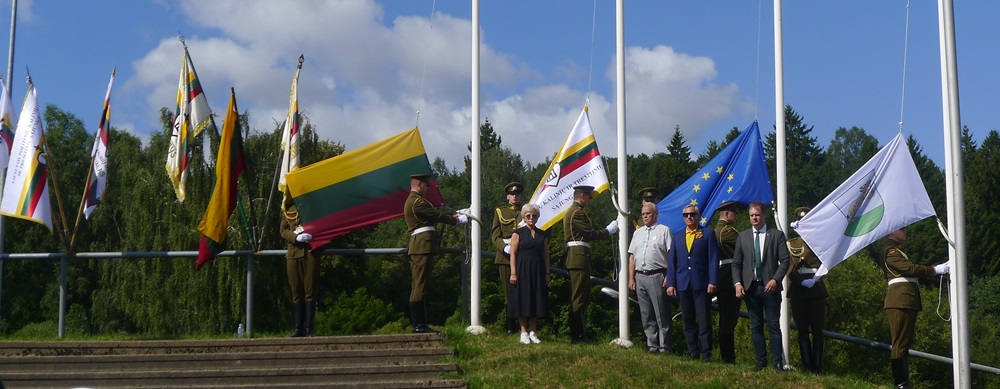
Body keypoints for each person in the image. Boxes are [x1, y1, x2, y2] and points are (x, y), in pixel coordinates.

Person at [877, 227, 949, 389]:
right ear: (891, 232)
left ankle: (903, 382)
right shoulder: (890, 251)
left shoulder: (896, 251)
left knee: (904, 343)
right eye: (901, 229)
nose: (905, 232)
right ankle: (901, 383)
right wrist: (935, 270)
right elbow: (909, 269)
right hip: (900, 300)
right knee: (900, 343)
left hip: (905, 300)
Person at [403, 173, 466, 333]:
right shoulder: (418, 202)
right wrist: (456, 220)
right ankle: (419, 325)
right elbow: (436, 215)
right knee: (420, 285)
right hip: (421, 246)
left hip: (422, 246)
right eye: (426, 185)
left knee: (420, 284)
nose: (427, 188)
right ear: (419, 185)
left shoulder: (415, 201)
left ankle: (420, 324)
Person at [732, 201, 790, 372]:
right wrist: (737, 284)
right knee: (756, 325)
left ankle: (778, 363)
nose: (754, 218)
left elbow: (785, 261)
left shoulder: (776, 235)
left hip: (770, 288)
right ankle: (761, 361)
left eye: (757, 215)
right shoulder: (743, 237)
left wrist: (775, 279)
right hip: (750, 288)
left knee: (773, 325)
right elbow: (736, 263)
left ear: (764, 215)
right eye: (751, 215)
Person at [564, 185, 618, 344]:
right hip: (578, 258)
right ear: (581, 196)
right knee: (579, 298)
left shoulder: (575, 211)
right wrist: (608, 231)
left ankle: (580, 335)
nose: (589, 200)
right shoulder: (577, 213)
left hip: (579, 258)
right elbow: (589, 234)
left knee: (581, 297)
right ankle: (578, 336)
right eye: (588, 196)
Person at [666, 205, 719, 362]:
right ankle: (692, 352)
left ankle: (706, 354)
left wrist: (713, 280)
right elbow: (672, 262)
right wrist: (671, 283)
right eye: (686, 215)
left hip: (702, 283)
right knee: (688, 320)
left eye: (692, 214)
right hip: (683, 283)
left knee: (704, 320)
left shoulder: (707, 234)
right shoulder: (677, 236)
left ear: (698, 215)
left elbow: (713, 259)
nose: (689, 217)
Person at [786, 206, 828, 374]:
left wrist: (815, 279)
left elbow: (827, 262)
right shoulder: (791, 243)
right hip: (798, 290)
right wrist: (802, 282)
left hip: (816, 289)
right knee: (802, 331)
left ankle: (818, 367)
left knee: (818, 331)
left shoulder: (821, 241)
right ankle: (806, 366)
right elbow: (789, 268)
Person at [627, 203, 673, 353]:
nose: (645, 216)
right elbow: (632, 257)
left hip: (658, 275)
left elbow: (672, 256)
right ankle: (652, 345)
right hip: (640, 276)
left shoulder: (664, 231)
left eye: (648, 213)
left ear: (655, 214)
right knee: (646, 313)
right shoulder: (637, 233)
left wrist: (669, 277)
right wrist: (631, 278)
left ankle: (664, 347)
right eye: (643, 214)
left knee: (661, 314)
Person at [507, 203, 551, 345]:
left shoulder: (543, 234)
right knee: (523, 298)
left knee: (536, 298)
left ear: (537, 217)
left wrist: (547, 273)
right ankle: (523, 332)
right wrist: (513, 272)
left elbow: (546, 255)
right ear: (524, 217)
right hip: (522, 269)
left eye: (534, 215)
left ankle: (533, 332)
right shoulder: (517, 233)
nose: (531, 218)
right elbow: (513, 254)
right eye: (528, 215)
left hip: (538, 270)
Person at [280, 195, 318, 337]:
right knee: (296, 292)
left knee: (310, 291)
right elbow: (283, 230)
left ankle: (309, 328)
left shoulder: (315, 206)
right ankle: (298, 328)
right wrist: (295, 237)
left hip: (310, 252)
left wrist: (312, 233)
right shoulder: (288, 208)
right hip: (294, 253)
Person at [491, 181, 524, 335]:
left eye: (517, 194)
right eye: (512, 194)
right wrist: (504, 247)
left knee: (523, 291)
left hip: (523, 257)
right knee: (508, 293)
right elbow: (495, 235)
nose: (514, 196)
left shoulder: (525, 212)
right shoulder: (500, 211)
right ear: (507, 197)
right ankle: (510, 328)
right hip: (505, 257)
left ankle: (523, 328)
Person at [714, 201, 741, 364]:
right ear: (727, 214)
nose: (736, 216)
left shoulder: (717, 230)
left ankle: (727, 356)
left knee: (726, 319)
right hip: (729, 278)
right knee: (729, 320)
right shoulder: (727, 231)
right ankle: (728, 357)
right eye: (734, 213)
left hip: (723, 278)